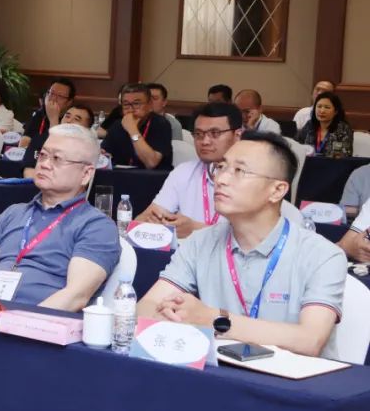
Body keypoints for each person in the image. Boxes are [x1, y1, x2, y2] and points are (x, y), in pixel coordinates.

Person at [137, 131, 346, 358]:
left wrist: (214, 319)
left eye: (240, 171)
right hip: (220, 373)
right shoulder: (199, 242)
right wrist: (169, 313)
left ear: (277, 190)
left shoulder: (323, 255)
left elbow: (310, 340)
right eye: (221, 167)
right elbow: (145, 307)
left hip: (295, 378)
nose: (221, 179)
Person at [0, 124, 120, 309]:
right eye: (42, 155)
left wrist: (17, 322)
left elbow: (75, 296)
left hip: (36, 321)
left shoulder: (96, 226)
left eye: (57, 158)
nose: (44, 164)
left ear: (86, 173)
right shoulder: (13, 213)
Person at [136, 102, 241, 237]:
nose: (205, 141)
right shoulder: (183, 172)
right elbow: (143, 220)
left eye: (215, 133)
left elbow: (254, 239)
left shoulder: (253, 178)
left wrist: (196, 230)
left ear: (237, 135)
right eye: (199, 134)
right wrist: (153, 224)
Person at [100, 83, 173, 170]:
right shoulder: (117, 125)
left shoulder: (161, 124)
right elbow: (104, 155)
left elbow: (151, 163)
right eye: (126, 104)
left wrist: (132, 130)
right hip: (120, 175)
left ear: (149, 105)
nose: (131, 109)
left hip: (152, 176)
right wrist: (101, 155)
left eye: (136, 104)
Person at [20, 78, 75, 155]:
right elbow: (25, 140)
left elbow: (60, 149)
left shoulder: (72, 119)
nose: (54, 98)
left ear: (69, 102)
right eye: (51, 93)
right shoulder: (40, 114)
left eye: (60, 96)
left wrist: (53, 119)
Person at [295, 91, 353, 159]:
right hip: (309, 164)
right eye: (319, 106)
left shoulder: (343, 128)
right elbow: (296, 146)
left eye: (327, 107)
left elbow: (346, 154)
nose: (322, 111)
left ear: (336, 111)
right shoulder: (310, 125)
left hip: (332, 164)